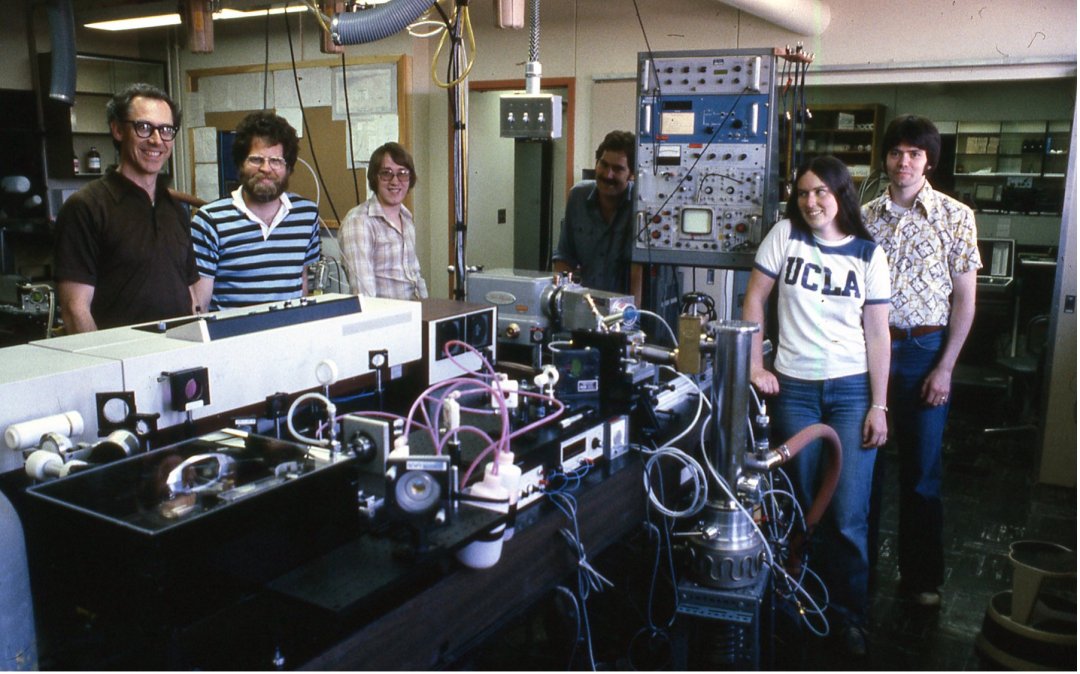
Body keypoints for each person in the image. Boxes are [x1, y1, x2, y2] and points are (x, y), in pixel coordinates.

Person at [743, 155, 891, 656]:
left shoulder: (869, 255)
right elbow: (754, 300)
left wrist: (879, 405)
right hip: (795, 391)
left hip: (851, 394)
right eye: (804, 193)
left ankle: (848, 617)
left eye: (821, 192)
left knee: (848, 513)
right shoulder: (784, 235)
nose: (811, 202)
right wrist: (754, 366)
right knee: (798, 506)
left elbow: (877, 333)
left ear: (841, 196)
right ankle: (794, 602)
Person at [862, 115, 981, 608]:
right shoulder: (863, 217)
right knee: (864, 469)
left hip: (924, 352)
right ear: (885, 159)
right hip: (869, 353)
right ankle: (857, 572)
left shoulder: (956, 216)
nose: (904, 161)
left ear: (929, 160)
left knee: (921, 473)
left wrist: (945, 368)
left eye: (914, 153)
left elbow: (965, 301)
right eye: (896, 152)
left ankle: (921, 578)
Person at [54, 83, 197, 333]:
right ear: (118, 130)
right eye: (143, 127)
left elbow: (190, 292)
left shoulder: (175, 209)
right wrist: (104, 368)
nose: (156, 140)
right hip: (122, 362)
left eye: (166, 130)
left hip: (178, 356)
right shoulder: (86, 207)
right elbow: (75, 310)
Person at [190, 112, 321, 311]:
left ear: (288, 167)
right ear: (240, 163)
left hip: (288, 336)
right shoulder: (209, 221)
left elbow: (301, 281)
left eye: (276, 160)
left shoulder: (306, 215)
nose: (266, 169)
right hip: (233, 338)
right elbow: (200, 307)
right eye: (256, 159)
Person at [553, 130, 680, 327]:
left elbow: (637, 272)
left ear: (632, 174)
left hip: (627, 315)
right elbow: (564, 258)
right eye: (603, 165)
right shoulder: (577, 197)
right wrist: (561, 309)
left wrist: (630, 322)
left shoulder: (642, 206)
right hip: (585, 311)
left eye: (617, 169)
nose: (607, 174)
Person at [339, 142, 428, 300]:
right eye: (386, 174)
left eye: (402, 173)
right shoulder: (358, 222)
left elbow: (415, 276)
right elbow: (364, 294)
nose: (395, 181)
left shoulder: (406, 218)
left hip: (414, 314)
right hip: (385, 320)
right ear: (375, 178)